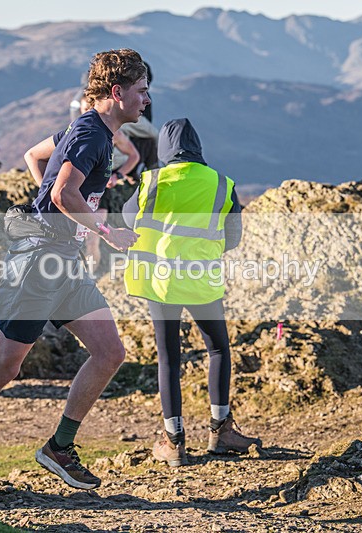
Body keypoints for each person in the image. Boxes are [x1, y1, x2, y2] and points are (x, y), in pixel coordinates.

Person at [0, 49, 149, 502]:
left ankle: (60, 447)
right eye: (141, 91)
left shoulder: (88, 130)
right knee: (6, 365)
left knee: (109, 352)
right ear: (117, 92)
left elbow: (33, 157)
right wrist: (105, 231)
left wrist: (61, 215)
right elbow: (63, 194)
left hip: (64, 260)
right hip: (39, 259)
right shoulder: (90, 134)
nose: (147, 100)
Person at [122, 118, 260, 467]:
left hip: (160, 281)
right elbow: (233, 238)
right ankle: (221, 431)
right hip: (202, 280)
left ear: (164, 149)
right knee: (218, 349)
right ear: (197, 147)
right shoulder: (221, 184)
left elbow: (127, 219)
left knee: (169, 358)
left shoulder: (152, 181)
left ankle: (174, 442)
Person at [27, 89, 140, 268]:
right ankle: (88, 274)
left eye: (90, 108)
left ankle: (89, 274)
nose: (88, 112)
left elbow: (134, 155)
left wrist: (117, 175)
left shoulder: (109, 134)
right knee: (94, 237)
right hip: (52, 241)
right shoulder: (84, 135)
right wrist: (48, 193)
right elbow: (33, 157)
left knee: (92, 241)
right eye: (85, 109)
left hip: (99, 191)